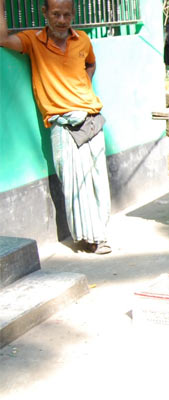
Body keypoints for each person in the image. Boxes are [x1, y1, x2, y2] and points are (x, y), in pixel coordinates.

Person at [0, 0, 111, 254]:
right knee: (74, 183)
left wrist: (84, 86)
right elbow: (3, 39)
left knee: (97, 181)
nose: (62, 20)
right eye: (56, 14)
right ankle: (88, 237)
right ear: (45, 13)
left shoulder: (82, 39)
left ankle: (102, 234)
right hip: (62, 123)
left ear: (73, 15)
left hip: (92, 117)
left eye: (67, 15)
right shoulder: (33, 41)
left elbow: (91, 63)